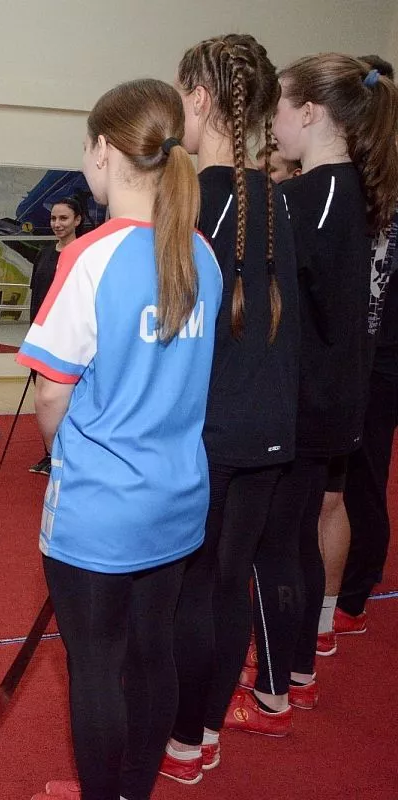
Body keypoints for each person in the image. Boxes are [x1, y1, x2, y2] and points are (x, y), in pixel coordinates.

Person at [18, 79, 222, 800]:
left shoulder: (92, 256)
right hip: (177, 500)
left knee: (98, 666)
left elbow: (51, 391)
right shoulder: (203, 253)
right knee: (154, 652)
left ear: (103, 152)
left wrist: (62, 452)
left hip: (100, 507)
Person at [226, 53, 398, 735]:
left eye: (278, 112)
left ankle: (270, 692)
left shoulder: (304, 197)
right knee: (296, 534)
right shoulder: (353, 188)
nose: (273, 127)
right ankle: (294, 670)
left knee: (275, 542)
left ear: (308, 113)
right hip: (332, 397)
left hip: (303, 400)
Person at [159, 34, 299, 782]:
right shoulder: (274, 197)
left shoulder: (199, 201)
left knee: (191, 588)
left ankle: (182, 736)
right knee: (230, 578)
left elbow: (172, 329)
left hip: (212, 430)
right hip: (268, 427)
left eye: (182, 93)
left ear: (202, 99)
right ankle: (202, 731)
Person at [339, 54, 398, 636]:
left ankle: (353, 594)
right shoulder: (361, 177)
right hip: (363, 353)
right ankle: (345, 591)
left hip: (377, 358)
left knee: (362, 477)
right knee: (349, 480)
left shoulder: (380, 179)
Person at [26, 197, 83, 475]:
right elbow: (35, 295)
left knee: (65, 400)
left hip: (70, 340)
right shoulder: (44, 253)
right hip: (42, 340)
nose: (57, 224)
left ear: (77, 221)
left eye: (63, 218)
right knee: (43, 398)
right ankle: (50, 453)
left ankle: (69, 454)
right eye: (53, 219)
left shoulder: (84, 254)